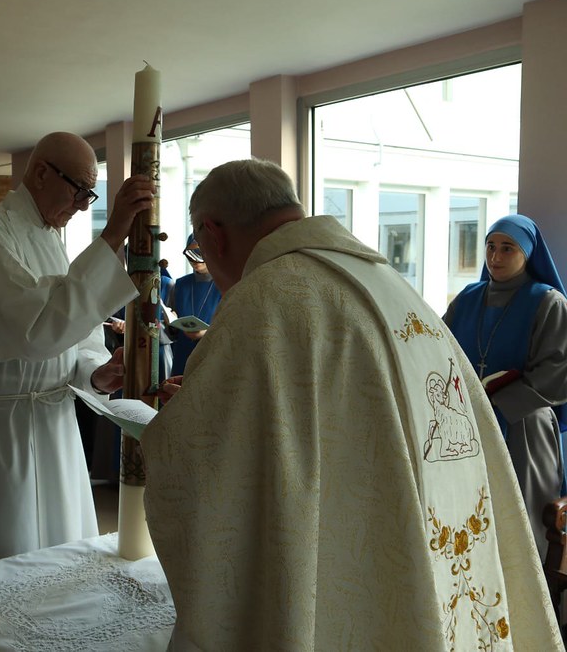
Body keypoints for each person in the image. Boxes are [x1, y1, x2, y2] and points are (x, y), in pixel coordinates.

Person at [142, 159, 560, 650]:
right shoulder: (392, 286)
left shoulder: (263, 300)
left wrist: (183, 420)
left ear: (213, 233)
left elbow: (207, 468)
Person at [0, 131, 153, 570]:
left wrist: (96, 372)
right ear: (40, 173)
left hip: (57, 426)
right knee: (5, 560)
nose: (82, 205)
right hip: (5, 428)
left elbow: (77, 334)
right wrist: (112, 235)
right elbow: (34, 330)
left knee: (63, 551)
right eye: (80, 190)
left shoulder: (53, 240)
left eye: (89, 195)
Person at [444, 214, 567, 556]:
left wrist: (499, 402)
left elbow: (556, 372)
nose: (495, 257)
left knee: (520, 521)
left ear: (527, 253)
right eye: (490, 247)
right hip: (467, 422)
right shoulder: (467, 298)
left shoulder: (548, 302)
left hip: (523, 426)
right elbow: (438, 349)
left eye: (507, 248)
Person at [167, 234, 222, 376]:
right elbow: (170, 332)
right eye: (190, 254)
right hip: (182, 356)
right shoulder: (180, 285)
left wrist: (206, 333)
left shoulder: (225, 284)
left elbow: (234, 327)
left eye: (199, 253)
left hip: (213, 357)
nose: (194, 260)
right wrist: (170, 323)